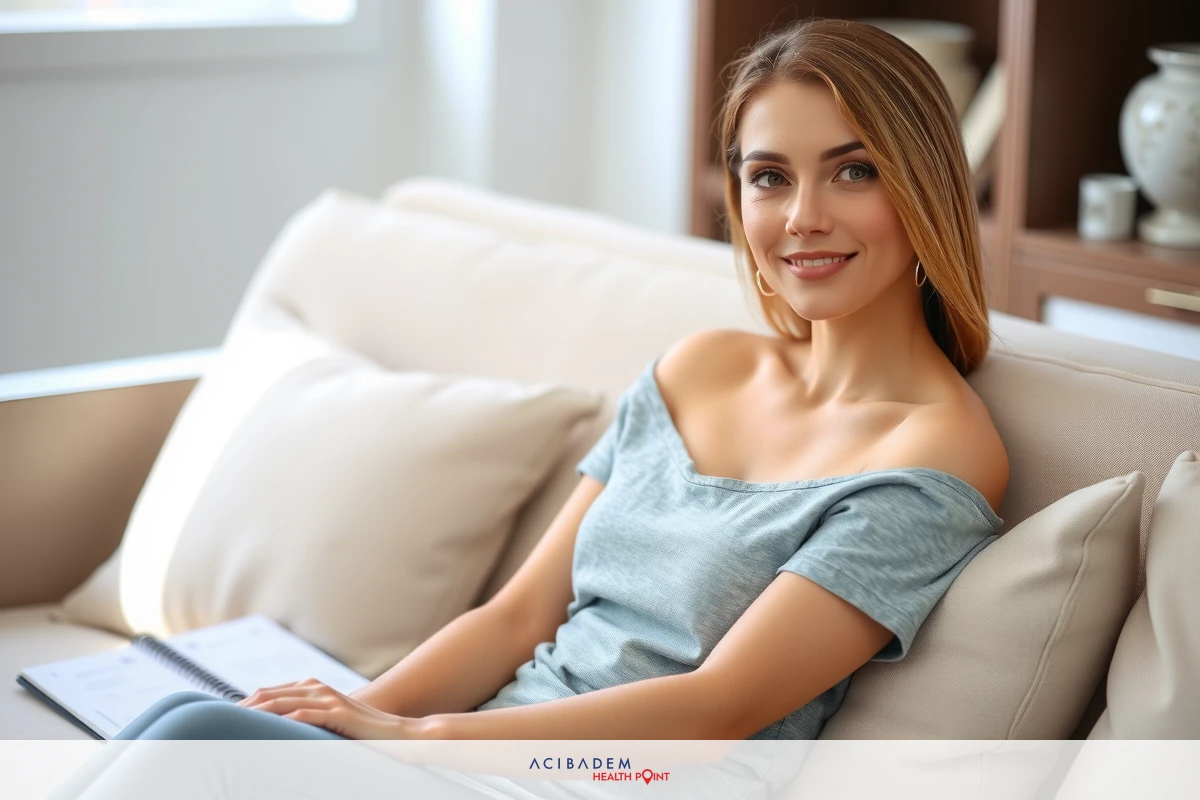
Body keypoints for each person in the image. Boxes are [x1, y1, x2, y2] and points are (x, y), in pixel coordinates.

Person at [48, 16, 1008, 800]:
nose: (802, 216)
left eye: (854, 170)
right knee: (204, 731)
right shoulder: (701, 367)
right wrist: (347, 726)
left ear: (920, 181)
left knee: (195, 738)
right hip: (478, 754)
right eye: (769, 177)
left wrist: (417, 739)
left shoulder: (936, 453)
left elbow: (715, 709)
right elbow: (515, 621)